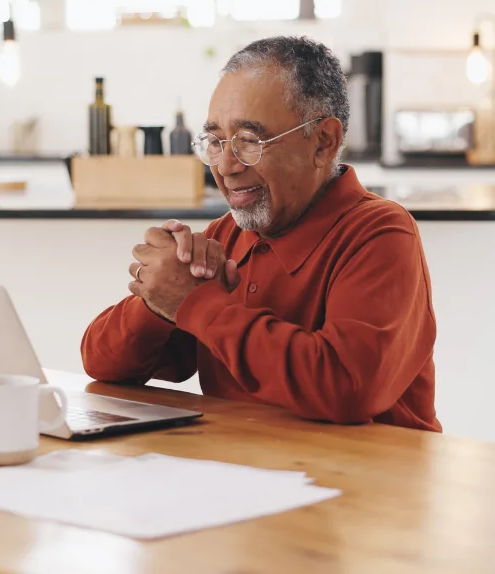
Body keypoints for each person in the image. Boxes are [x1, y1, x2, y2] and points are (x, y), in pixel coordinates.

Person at [80, 36, 440, 432]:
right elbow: (102, 364)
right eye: (215, 142)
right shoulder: (225, 237)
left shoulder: (381, 233)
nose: (226, 166)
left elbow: (346, 387)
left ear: (324, 142)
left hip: (375, 481)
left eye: (249, 141)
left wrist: (196, 304)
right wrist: (157, 299)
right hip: (248, 473)